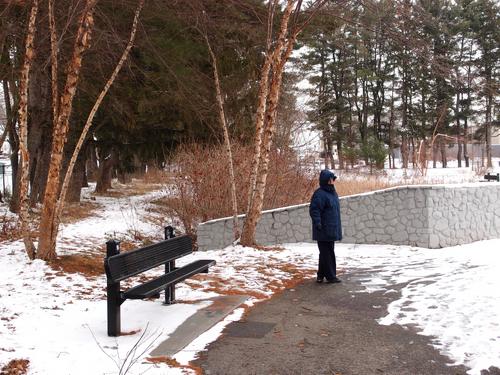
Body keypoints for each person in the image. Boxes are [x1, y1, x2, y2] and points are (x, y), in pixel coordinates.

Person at [309, 169, 342, 284]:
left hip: (331, 228)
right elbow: (314, 210)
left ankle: (320, 275)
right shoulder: (320, 194)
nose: (334, 181)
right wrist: (318, 223)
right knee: (327, 253)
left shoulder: (332, 193)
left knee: (325, 252)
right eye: (333, 179)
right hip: (323, 228)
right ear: (328, 181)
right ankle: (331, 276)